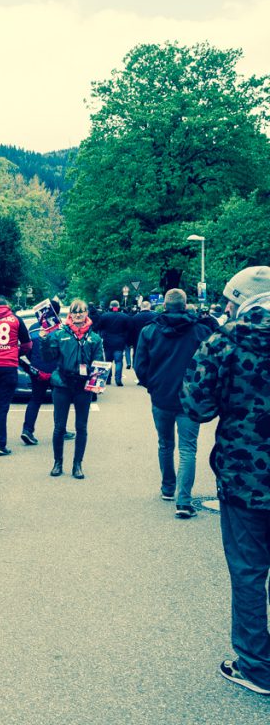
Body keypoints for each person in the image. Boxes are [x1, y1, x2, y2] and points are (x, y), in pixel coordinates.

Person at [182, 265, 270, 696]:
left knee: (249, 572)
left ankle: (256, 666)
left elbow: (196, 406)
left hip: (246, 477)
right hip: (245, 476)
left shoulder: (226, 340)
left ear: (239, 300)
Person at [134, 289, 218, 516]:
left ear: (164, 305)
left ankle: (168, 487)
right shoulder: (200, 331)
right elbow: (210, 364)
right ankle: (184, 501)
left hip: (161, 396)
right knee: (188, 449)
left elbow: (140, 365)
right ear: (185, 305)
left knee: (165, 444)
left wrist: (152, 385)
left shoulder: (149, 331)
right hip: (190, 399)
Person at [39, 298, 105, 479]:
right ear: (70, 314)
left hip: (83, 387)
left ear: (86, 313)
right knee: (59, 427)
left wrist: (97, 382)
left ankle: (77, 464)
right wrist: (44, 340)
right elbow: (48, 357)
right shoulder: (60, 334)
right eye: (74, 312)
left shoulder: (94, 338)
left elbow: (99, 363)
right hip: (62, 384)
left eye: (81, 311)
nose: (78, 314)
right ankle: (57, 463)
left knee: (81, 427)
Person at [0, 295, 32, 456]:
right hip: (8, 366)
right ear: (7, 305)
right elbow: (27, 344)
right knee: (2, 405)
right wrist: (16, 353)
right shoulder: (15, 320)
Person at [19, 298, 72, 446]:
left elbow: (28, 349)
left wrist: (35, 363)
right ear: (57, 312)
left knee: (35, 400)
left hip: (38, 370)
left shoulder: (33, 328)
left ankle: (27, 430)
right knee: (60, 401)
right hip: (57, 370)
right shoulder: (63, 328)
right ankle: (61, 430)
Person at [93, 299, 132, 386]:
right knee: (119, 361)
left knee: (108, 361)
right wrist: (126, 339)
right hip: (120, 341)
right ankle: (118, 379)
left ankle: (108, 379)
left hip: (107, 341)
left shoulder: (104, 316)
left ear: (110, 306)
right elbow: (129, 329)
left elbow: (97, 327)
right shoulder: (125, 317)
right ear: (118, 306)